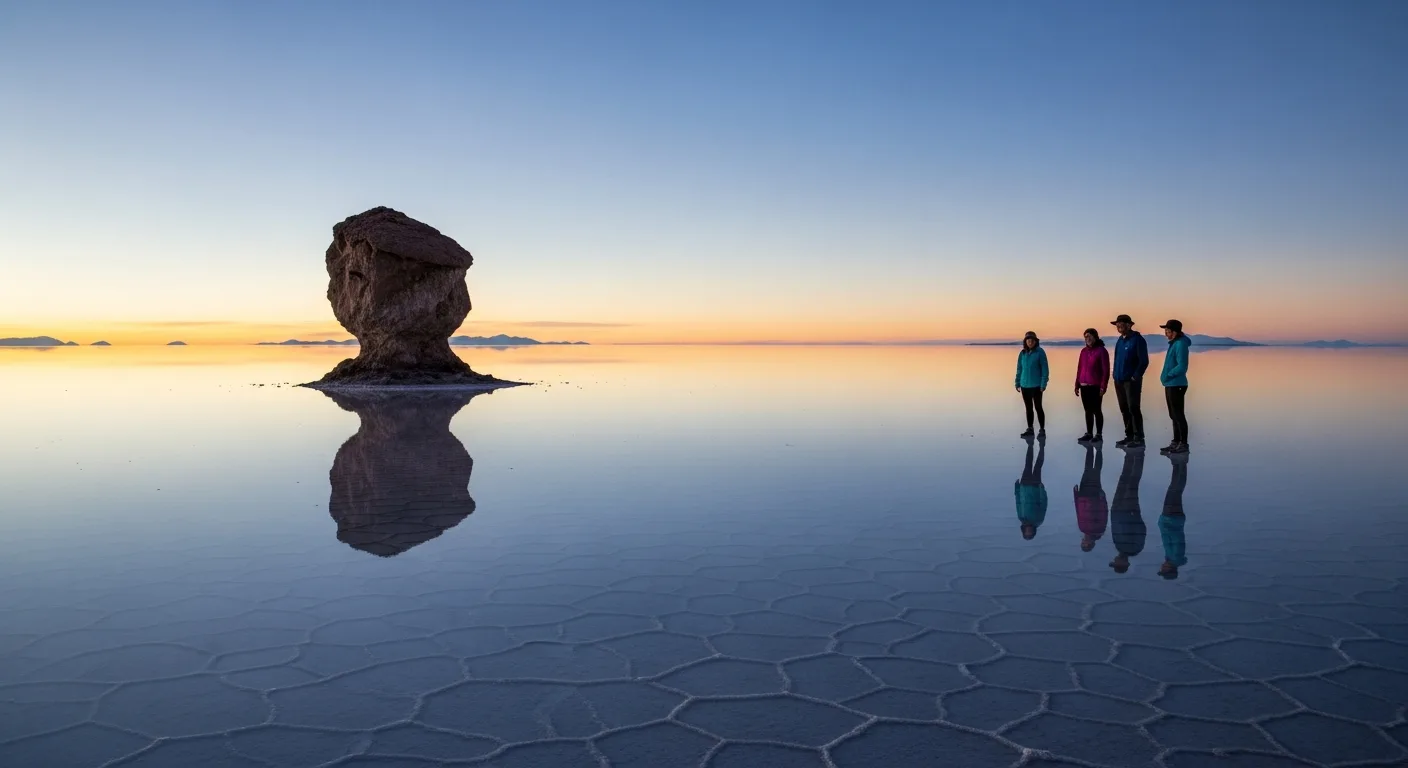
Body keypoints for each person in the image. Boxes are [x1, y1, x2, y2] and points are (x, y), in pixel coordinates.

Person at [1110, 314, 1149, 448]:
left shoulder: (1137, 340)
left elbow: (1143, 361)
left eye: (1121, 324)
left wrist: (1135, 376)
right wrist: (1114, 374)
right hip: (1119, 380)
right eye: (1117, 324)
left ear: (1129, 325)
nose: (1119, 326)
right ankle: (1129, 435)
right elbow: (1116, 359)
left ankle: (1139, 437)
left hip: (1131, 381)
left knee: (1133, 408)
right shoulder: (1120, 340)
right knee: (1124, 408)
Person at [1108, 442, 1146, 573]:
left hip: (1117, 509)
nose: (1115, 560)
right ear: (1124, 564)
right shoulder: (1134, 548)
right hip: (1129, 511)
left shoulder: (1119, 548)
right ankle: (1139, 456)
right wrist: (1134, 515)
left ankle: (1129, 456)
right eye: (1116, 563)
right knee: (1132, 483)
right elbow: (1141, 530)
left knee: (1124, 479)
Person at [1159, 319, 1191, 454]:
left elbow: (1182, 366)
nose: (1166, 333)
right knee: (1173, 415)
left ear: (1175, 332)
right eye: (1165, 330)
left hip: (1177, 384)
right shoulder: (1174, 344)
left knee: (1178, 415)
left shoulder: (1180, 344)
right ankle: (1175, 442)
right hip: (1171, 384)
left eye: (1168, 330)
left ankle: (1183, 444)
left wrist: (1168, 375)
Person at [1073, 328, 1110, 442]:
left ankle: (1098, 434)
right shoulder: (1083, 351)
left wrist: (1103, 386)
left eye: (1089, 336)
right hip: (1084, 384)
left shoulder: (1101, 351)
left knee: (1096, 410)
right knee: (1087, 410)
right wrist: (1077, 384)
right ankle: (1089, 433)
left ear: (1095, 337)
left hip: (1095, 385)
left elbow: (1106, 370)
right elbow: (1080, 368)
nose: (1087, 339)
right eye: (1085, 337)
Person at [1158, 452, 1188, 579]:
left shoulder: (1171, 557)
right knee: (1175, 489)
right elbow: (1177, 539)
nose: (1161, 567)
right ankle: (1181, 463)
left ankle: (1177, 463)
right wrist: (1166, 526)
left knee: (1174, 489)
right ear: (1170, 569)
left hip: (1170, 519)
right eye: (1163, 569)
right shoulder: (1176, 556)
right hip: (1172, 519)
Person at [1014, 331, 1049, 438]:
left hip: (1037, 386)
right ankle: (1030, 428)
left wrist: (1043, 383)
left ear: (1035, 341)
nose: (1030, 342)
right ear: (1025, 341)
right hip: (1024, 385)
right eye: (1028, 340)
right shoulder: (1022, 353)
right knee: (1028, 408)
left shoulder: (1040, 352)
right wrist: (1017, 382)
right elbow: (1019, 368)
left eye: (1032, 340)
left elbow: (1045, 369)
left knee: (1038, 407)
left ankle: (1042, 429)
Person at [1074, 442, 1107, 552]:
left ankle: (1089, 448)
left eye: (1083, 543)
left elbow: (1078, 512)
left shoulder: (1082, 528)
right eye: (1087, 544)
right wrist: (1102, 499)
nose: (1084, 541)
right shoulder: (1099, 529)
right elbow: (1103, 514)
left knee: (1087, 469)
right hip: (1094, 497)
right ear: (1092, 543)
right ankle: (1098, 450)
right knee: (1096, 472)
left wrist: (1076, 495)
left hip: (1082, 496)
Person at [1015, 434, 1047, 540]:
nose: (1028, 530)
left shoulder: (1021, 518)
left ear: (1023, 530)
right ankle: (1042, 446)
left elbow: (1018, 503)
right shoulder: (1038, 520)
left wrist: (1017, 489)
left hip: (1024, 486)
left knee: (1027, 464)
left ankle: (1030, 444)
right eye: (1030, 533)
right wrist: (1042, 490)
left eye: (1026, 532)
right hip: (1035, 488)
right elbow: (1043, 504)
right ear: (1034, 532)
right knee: (1038, 465)